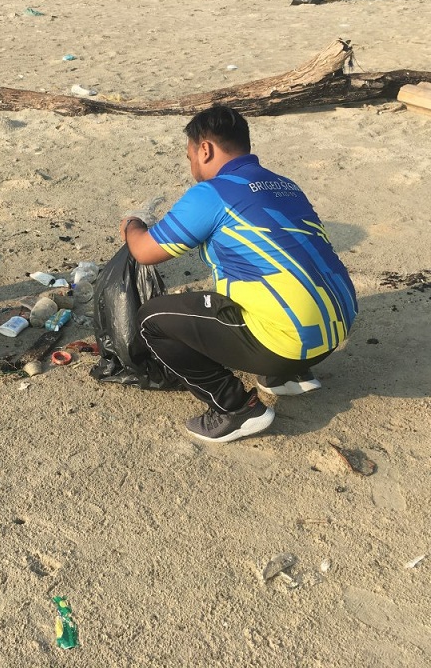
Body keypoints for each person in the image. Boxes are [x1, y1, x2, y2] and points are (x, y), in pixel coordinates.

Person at [119, 106, 357, 443]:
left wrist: (132, 224)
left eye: (190, 158)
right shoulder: (285, 185)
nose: (192, 168)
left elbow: (144, 252)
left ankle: (235, 408)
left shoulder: (212, 193)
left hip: (286, 341)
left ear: (205, 149)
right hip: (334, 331)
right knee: (249, 284)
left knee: (152, 319)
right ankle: (285, 377)